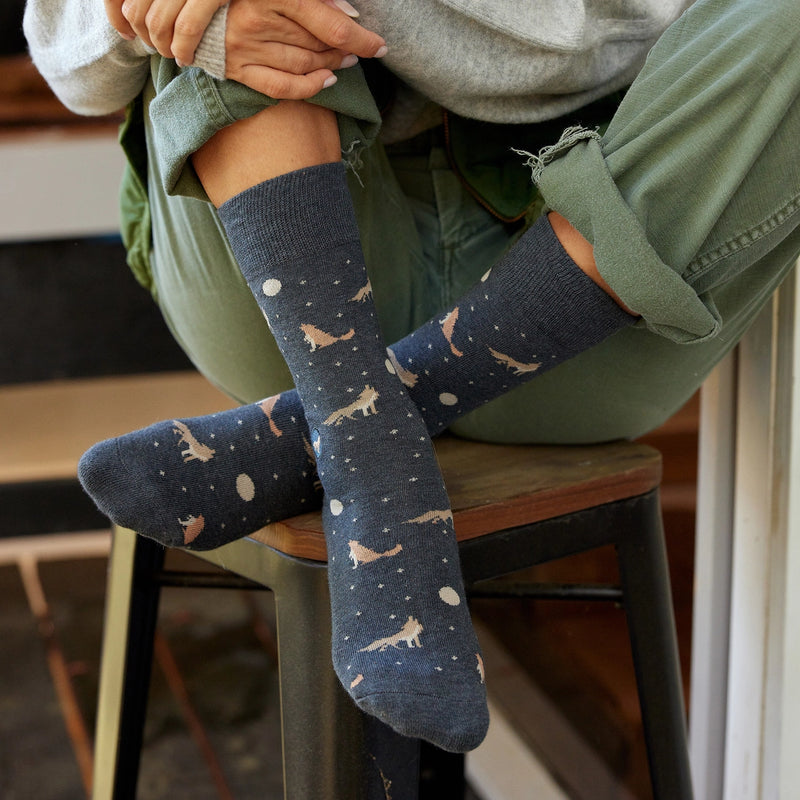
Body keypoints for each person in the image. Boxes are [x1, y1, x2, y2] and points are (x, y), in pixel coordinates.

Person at [24, 0, 800, 753]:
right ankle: (370, 447)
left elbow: (580, 40)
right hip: (284, 268)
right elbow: (68, 58)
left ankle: (360, 442)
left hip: (593, 288)